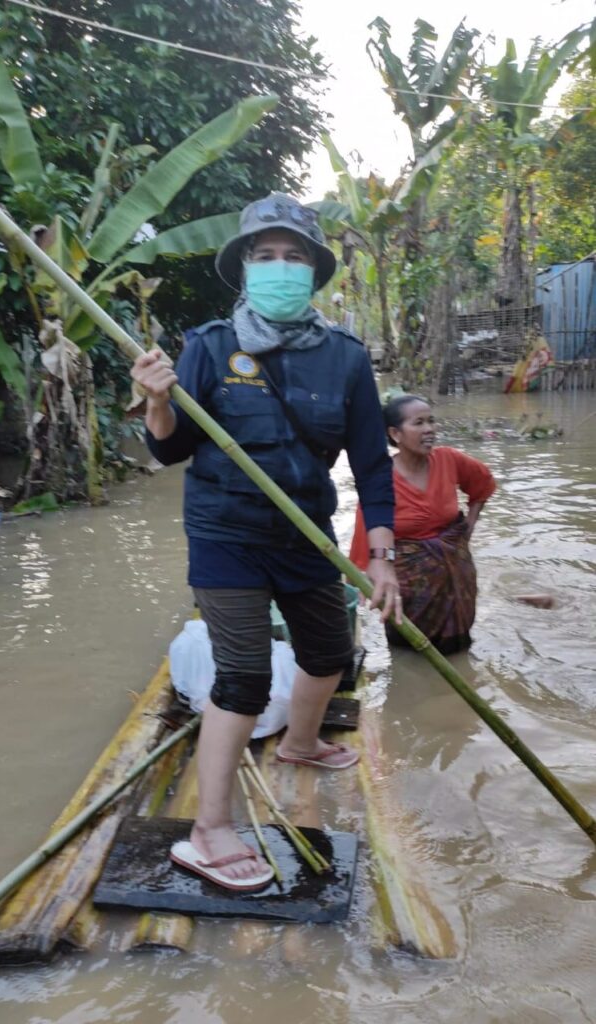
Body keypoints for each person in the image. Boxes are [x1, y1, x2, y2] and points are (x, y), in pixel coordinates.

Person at [131, 193, 401, 892]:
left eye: (294, 257)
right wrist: (159, 400)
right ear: (245, 268)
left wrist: (383, 555)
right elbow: (170, 452)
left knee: (330, 655)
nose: (280, 268)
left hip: (306, 530)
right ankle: (208, 831)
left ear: (313, 272)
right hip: (227, 533)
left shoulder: (343, 357)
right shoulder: (212, 345)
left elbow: (372, 462)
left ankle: (303, 744)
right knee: (245, 676)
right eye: (266, 256)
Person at [350, 394, 496, 655]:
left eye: (431, 421)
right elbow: (367, 536)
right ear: (395, 433)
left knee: (460, 645)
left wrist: (469, 528)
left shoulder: (449, 459)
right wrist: (366, 580)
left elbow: (482, 483)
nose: (429, 429)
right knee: (409, 649)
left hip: (456, 569)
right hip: (408, 579)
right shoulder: (381, 478)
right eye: (418, 423)